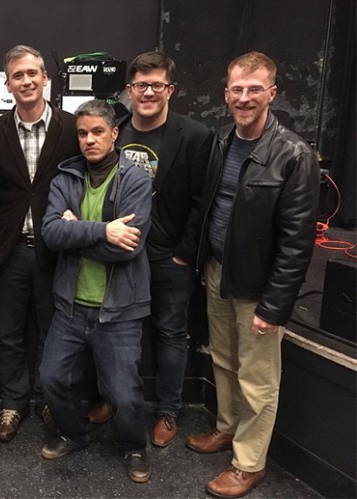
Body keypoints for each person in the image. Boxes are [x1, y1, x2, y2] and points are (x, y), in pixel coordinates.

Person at [187, 51, 319, 498]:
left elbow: (298, 242)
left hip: (259, 286)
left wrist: (275, 305)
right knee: (223, 360)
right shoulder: (221, 141)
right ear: (226, 94)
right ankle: (226, 427)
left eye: (254, 89)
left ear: (272, 93)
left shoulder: (294, 154)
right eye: (237, 90)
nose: (245, 98)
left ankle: (249, 462)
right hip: (218, 272)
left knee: (258, 378)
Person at [92, 51, 211, 444]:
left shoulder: (195, 136)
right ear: (129, 90)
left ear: (170, 90)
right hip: (122, 252)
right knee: (114, 331)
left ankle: (168, 411)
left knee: (171, 333)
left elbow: (203, 202)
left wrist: (184, 254)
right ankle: (112, 398)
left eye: (156, 85)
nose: (147, 93)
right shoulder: (115, 131)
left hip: (168, 256)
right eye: (140, 85)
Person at [39, 99, 153, 483]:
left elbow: (129, 248)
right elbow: (51, 233)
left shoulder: (136, 180)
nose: (89, 140)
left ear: (114, 134)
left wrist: (76, 231)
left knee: (123, 393)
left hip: (120, 309)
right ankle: (75, 433)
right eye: (83, 133)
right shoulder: (65, 179)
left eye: (98, 132)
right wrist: (104, 230)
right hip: (70, 306)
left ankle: (133, 446)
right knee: (52, 379)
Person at [0, 44, 80, 442]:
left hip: (56, 250)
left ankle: (48, 401)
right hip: (9, 251)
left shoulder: (71, 128)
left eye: (32, 73)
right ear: (7, 84)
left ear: (46, 79)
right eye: (17, 76)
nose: (26, 81)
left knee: (52, 332)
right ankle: (13, 403)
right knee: (8, 332)